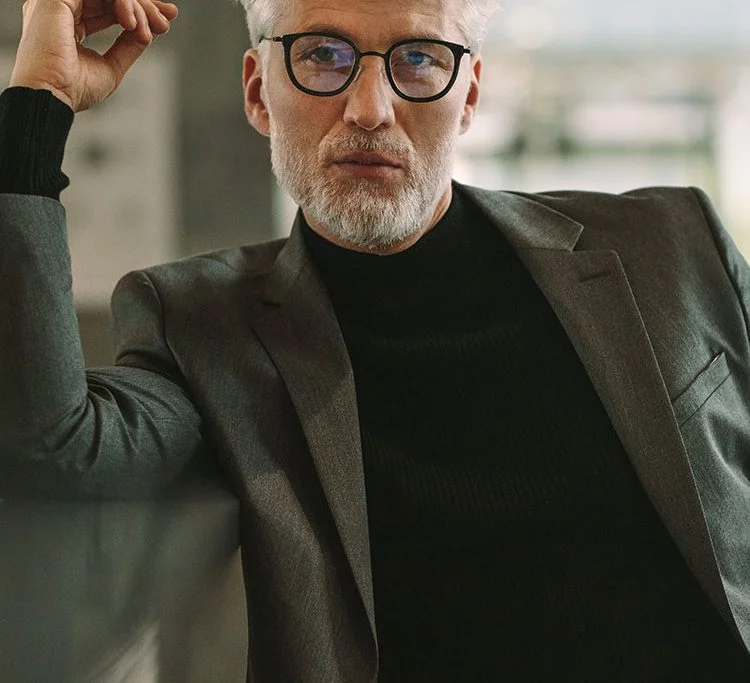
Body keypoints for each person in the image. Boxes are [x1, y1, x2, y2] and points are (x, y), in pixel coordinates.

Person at [2, 0, 750, 680]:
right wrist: (38, 102)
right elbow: (47, 446)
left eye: (419, 59)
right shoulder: (204, 327)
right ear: (259, 92)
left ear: (469, 96)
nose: (370, 109)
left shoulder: (672, 245)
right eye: (322, 56)